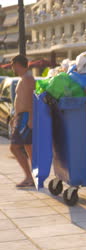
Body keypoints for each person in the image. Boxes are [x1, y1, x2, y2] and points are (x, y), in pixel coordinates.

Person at [9, 55, 36, 188]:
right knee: (28, 147)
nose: (12, 68)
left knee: (15, 147)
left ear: (18, 65)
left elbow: (32, 99)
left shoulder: (28, 79)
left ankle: (30, 177)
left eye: (13, 65)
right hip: (21, 117)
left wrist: (31, 117)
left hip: (26, 117)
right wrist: (15, 117)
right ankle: (32, 177)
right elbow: (20, 100)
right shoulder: (23, 79)